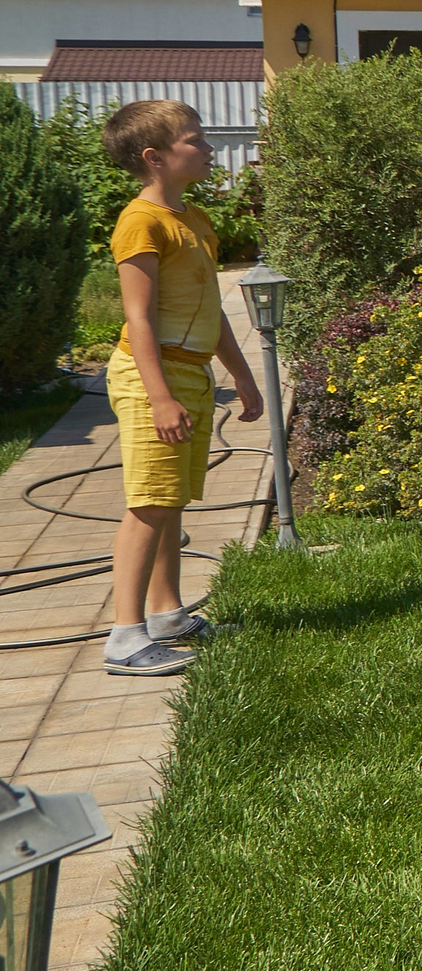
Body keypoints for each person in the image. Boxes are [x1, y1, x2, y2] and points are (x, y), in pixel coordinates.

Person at [98, 101, 262, 675]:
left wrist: (241, 375)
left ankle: (167, 613)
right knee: (149, 503)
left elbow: (210, 309)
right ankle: (124, 636)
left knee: (171, 500)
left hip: (191, 371)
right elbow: (139, 317)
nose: (209, 147)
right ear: (156, 157)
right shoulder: (139, 222)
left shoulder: (194, 221)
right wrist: (160, 395)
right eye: (195, 140)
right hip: (154, 376)